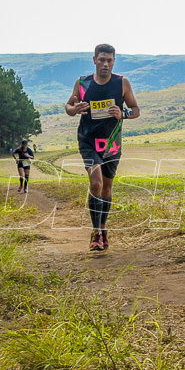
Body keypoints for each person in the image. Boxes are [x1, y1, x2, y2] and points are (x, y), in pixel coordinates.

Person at [65, 43, 140, 251]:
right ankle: (96, 232)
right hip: (88, 141)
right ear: (94, 60)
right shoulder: (83, 83)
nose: (105, 64)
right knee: (96, 183)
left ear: (114, 61)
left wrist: (122, 114)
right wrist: (75, 108)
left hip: (112, 143)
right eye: (102, 60)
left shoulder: (122, 83)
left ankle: (104, 230)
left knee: (106, 187)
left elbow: (135, 110)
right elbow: (68, 107)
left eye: (109, 60)